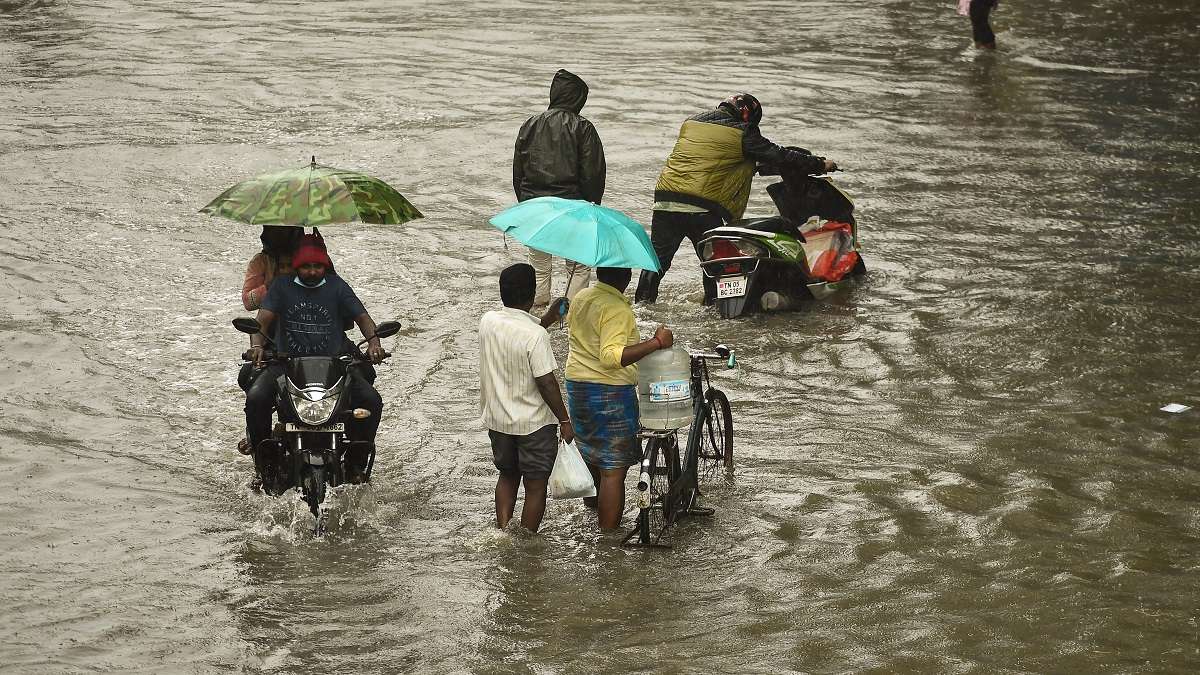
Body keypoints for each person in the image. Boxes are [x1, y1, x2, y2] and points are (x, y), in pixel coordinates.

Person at [634, 93, 839, 303]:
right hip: (702, 207)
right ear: (748, 116)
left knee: (656, 262)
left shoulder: (692, 123)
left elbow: (711, 158)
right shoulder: (743, 131)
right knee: (714, 263)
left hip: (665, 201)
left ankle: (641, 306)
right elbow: (779, 155)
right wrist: (819, 164)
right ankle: (712, 308)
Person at [244, 237, 386, 483]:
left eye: (317, 266)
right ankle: (263, 462)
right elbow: (261, 321)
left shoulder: (337, 286)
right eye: (306, 266)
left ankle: (356, 465)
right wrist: (257, 346)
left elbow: (363, 318)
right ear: (297, 266)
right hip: (285, 365)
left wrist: (374, 342)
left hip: (336, 365)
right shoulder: (280, 286)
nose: (312, 272)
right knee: (256, 398)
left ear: (325, 267)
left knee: (371, 400)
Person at [564, 266, 673, 531]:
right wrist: (657, 343)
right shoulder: (617, 308)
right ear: (626, 278)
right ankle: (608, 541)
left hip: (577, 388)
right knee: (613, 470)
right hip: (609, 392)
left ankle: (592, 513)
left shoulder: (581, 297)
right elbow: (611, 357)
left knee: (592, 456)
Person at [478, 264, 575, 532]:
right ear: (532, 296)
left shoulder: (488, 321)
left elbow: (518, 335)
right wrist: (565, 420)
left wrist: (547, 319)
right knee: (535, 485)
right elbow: (546, 382)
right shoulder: (536, 336)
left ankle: (503, 530)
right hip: (533, 424)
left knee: (507, 475)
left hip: (498, 419)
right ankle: (526, 537)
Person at [513, 68, 606, 306]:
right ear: (578, 98)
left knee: (539, 268)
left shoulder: (530, 124)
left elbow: (518, 171)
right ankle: (572, 313)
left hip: (534, 207)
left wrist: (524, 203)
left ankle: (538, 311)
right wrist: (592, 204)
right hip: (573, 207)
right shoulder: (583, 127)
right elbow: (593, 173)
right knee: (577, 266)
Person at [242, 226, 303, 311]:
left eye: (287, 230)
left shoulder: (309, 257)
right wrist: (270, 285)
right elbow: (248, 302)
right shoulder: (261, 261)